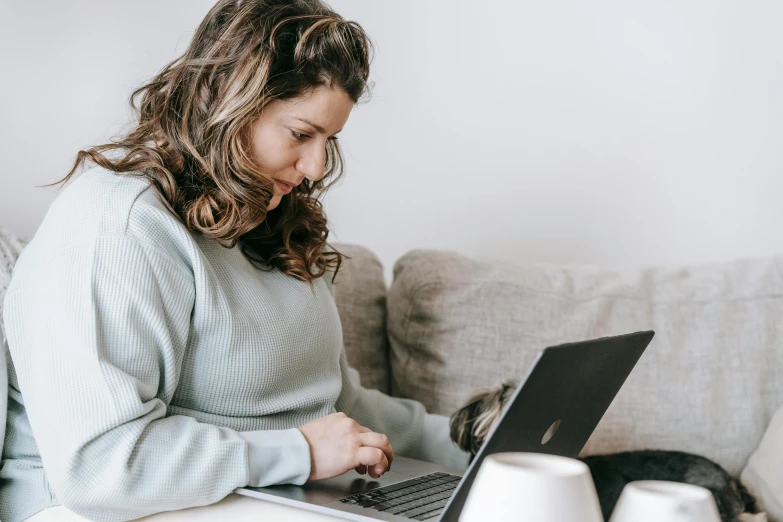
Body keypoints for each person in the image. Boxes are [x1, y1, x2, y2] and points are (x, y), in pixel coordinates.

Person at [0, 1, 471, 521]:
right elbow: (101, 466)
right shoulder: (119, 222)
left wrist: (477, 442)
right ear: (228, 101)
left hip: (266, 495)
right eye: (300, 134)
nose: (315, 167)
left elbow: (337, 408)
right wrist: (299, 453)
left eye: (329, 140)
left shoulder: (277, 224)